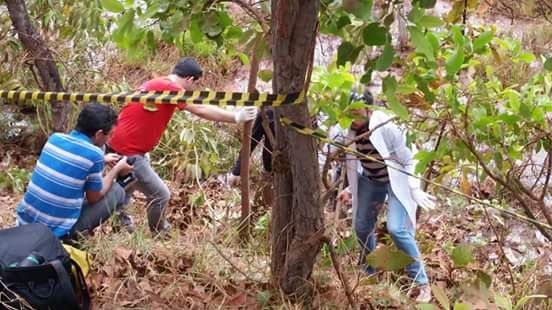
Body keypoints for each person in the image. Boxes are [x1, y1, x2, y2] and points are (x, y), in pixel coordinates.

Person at [107, 57, 257, 234]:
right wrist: (236, 117)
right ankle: (160, 233)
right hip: (129, 151)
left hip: (121, 146)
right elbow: (200, 109)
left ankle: (121, 228)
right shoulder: (172, 88)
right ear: (190, 80)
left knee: (127, 186)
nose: (193, 89)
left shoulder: (157, 83)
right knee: (160, 194)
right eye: (195, 84)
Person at [337, 89, 436, 303]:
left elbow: (411, 159)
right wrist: (348, 189)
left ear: (369, 110)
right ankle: (369, 272)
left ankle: (421, 282)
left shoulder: (387, 127)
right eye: (350, 112)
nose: (353, 117)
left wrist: (414, 187)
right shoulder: (348, 131)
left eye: (358, 111)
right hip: (371, 179)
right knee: (362, 227)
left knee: (396, 229)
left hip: (397, 179)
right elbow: (354, 163)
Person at [16, 103, 133, 240]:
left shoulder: (55, 139)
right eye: (109, 135)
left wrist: (103, 159)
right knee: (117, 191)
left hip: (24, 224)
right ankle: (72, 240)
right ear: (99, 134)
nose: (109, 140)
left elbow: (73, 161)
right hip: (51, 235)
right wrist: (116, 169)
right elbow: (94, 197)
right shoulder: (94, 155)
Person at [227, 108, 274, 187]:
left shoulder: (299, 112)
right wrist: (236, 171)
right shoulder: (267, 112)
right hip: (272, 170)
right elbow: (251, 142)